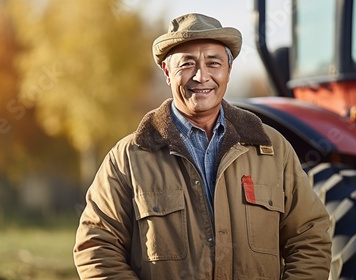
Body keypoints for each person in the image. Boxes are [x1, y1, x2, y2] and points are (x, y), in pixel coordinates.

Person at [73, 13, 332, 279]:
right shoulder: (129, 157)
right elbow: (96, 246)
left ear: (228, 70)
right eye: (187, 64)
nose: (201, 76)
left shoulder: (272, 149)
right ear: (167, 72)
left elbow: (310, 237)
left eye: (213, 63)